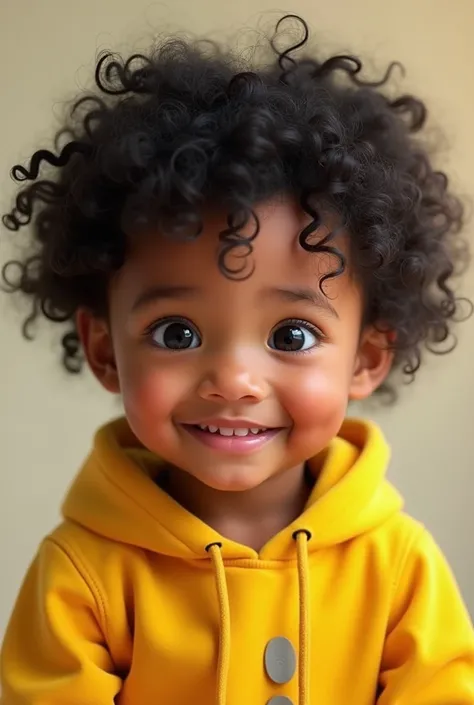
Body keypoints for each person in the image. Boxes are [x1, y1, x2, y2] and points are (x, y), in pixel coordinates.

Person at [0, 13, 473, 705]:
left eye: (290, 336)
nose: (232, 380)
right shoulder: (82, 575)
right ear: (106, 348)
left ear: (366, 359)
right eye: (177, 333)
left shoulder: (398, 566)